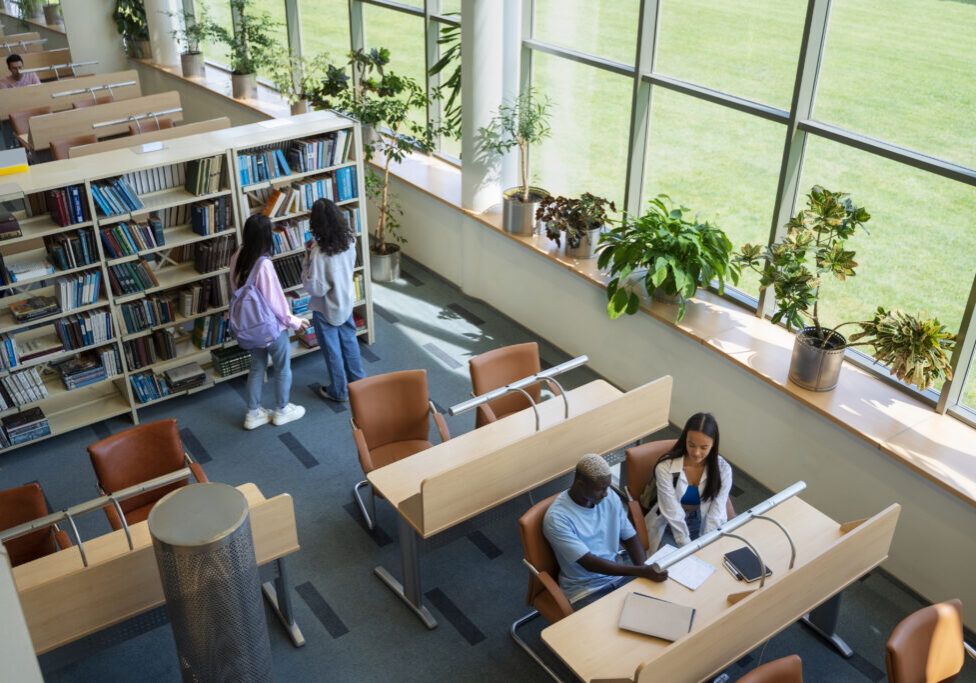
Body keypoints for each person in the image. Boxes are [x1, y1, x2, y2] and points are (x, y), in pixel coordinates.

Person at [543, 453, 667, 607]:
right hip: (586, 589)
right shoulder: (557, 518)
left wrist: (644, 567)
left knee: (658, 606)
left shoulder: (608, 497)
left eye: (607, 487)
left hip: (618, 575)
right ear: (580, 485)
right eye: (600, 489)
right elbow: (589, 563)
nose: (606, 493)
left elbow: (630, 536)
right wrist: (640, 572)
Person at [230, 213, 310, 430]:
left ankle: (253, 413)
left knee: (257, 367)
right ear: (266, 236)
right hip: (270, 328)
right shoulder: (263, 264)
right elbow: (275, 301)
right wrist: (294, 321)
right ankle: (282, 410)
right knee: (283, 367)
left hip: (249, 328)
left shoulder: (238, 253)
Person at [301, 198, 365, 401]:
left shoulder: (318, 253)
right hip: (346, 300)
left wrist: (306, 263)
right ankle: (360, 384)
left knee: (332, 351)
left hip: (326, 308)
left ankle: (339, 391)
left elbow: (316, 288)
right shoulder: (350, 240)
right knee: (349, 341)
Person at [645, 412, 733, 550]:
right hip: (671, 525)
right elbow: (672, 512)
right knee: (674, 565)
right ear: (684, 439)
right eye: (691, 445)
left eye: (704, 447)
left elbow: (716, 512)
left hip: (703, 521)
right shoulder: (665, 468)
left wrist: (706, 542)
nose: (696, 452)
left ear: (713, 445)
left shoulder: (723, 470)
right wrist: (686, 547)